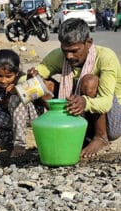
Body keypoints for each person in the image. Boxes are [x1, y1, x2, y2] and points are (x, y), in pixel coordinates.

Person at [28, 18, 121, 158]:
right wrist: (31, 78)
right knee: (43, 84)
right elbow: (29, 81)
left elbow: (106, 102)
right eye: (65, 51)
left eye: (74, 50)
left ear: (88, 43)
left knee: (89, 82)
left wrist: (85, 102)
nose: (69, 56)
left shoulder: (105, 57)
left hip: (111, 122)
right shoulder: (59, 56)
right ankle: (64, 128)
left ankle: (100, 138)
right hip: (79, 113)